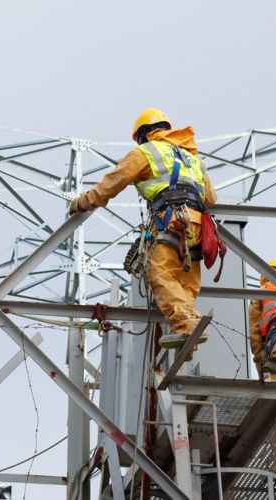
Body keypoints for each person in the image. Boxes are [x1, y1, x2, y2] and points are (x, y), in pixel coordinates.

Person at [70, 108, 219, 349]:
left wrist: (83, 202)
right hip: (198, 226)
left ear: (142, 135)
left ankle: (186, 325)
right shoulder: (193, 159)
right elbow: (210, 198)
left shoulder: (146, 152)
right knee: (186, 282)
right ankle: (188, 332)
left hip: (171, 219)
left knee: (160, 274)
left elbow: (112, 183)